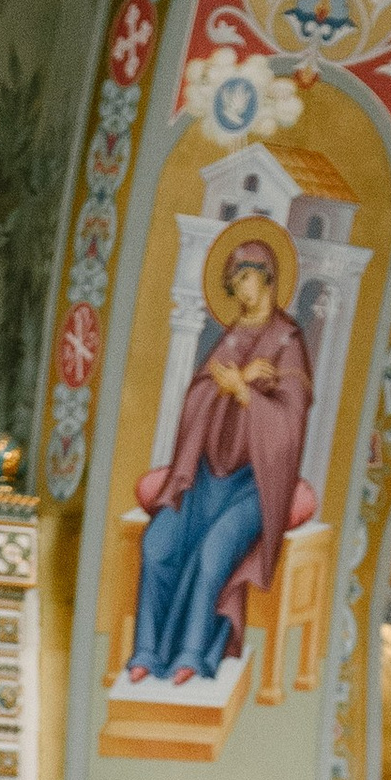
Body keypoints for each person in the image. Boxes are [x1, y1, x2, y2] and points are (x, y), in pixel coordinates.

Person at [123, 234, 313, 689]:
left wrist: (244, 392)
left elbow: (290, 423)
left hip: (255, 484)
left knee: (212, 557)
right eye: (233, 280)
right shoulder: (230, 339)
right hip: (202, 477)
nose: (238, 289)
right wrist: (229, 385)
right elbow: (196, 401)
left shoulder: (287, 341)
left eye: (244, 277)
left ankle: (193, 655)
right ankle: (147, 651)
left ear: (266, 278)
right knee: (157, 545)